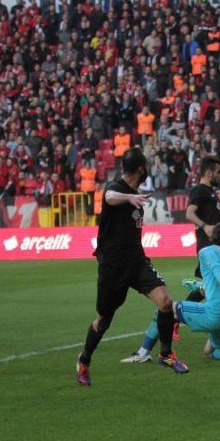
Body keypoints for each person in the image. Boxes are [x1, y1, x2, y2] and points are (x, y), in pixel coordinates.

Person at [76, 148, 188, 387]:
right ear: (140, 169)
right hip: (113, 266)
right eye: (145, 167)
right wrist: (128, 198)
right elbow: (109, 197)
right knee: (104, 319)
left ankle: (165, 354)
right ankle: (84, 360)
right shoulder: (116, 188)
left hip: (137, 261)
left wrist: (132, 197)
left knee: (165, 302)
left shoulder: (133, 192)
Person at [133, 223, 220, 363]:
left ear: (213, 236)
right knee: (210, 352)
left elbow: (218, 271)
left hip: (216, 313)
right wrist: (202, 285)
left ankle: (143, 353)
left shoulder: (206, 251)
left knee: (164, 310)